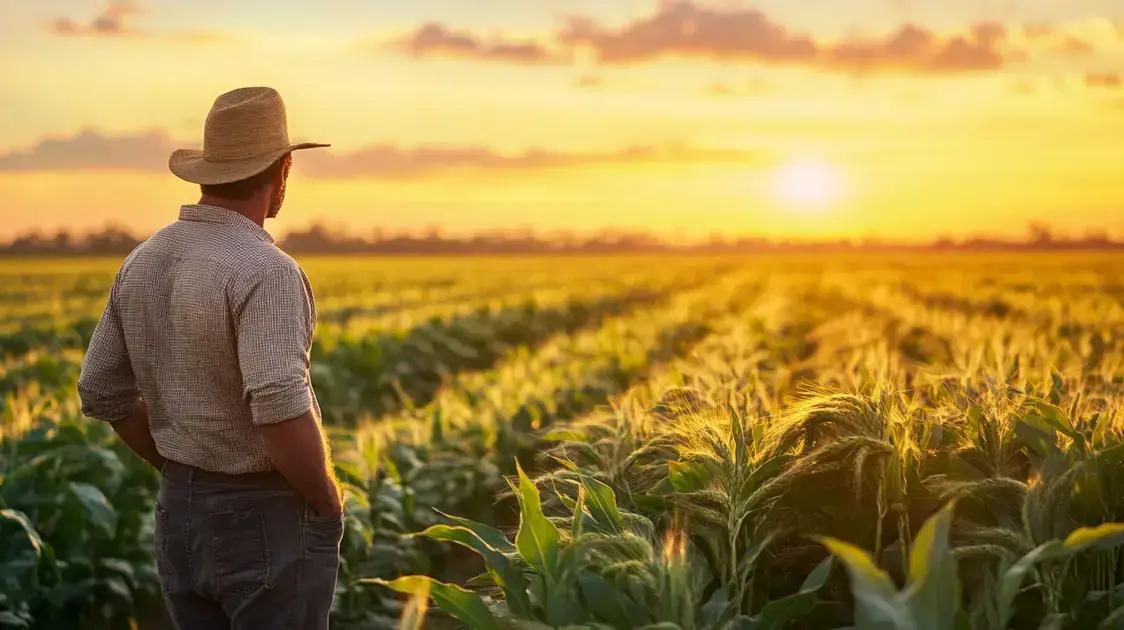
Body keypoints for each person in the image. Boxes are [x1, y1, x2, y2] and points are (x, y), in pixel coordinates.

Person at [78, 86, 341, 629]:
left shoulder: (143, 261)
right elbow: (277, 404)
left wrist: (180, 469)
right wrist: (326, 499)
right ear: (283, 169)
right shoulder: (265, 269)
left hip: (179, 512)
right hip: (264, 516)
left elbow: (100, 389)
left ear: (206, 172)